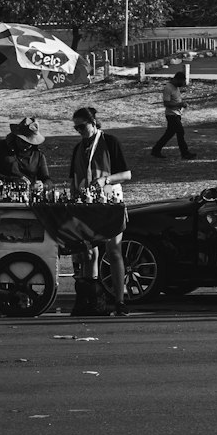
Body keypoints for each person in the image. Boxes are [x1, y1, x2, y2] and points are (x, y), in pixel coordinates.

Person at [69, 106, 132, 317]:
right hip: (87, 205)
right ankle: (93, 298)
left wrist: (106, 179)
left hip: (109, 201)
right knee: (89, 252)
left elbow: (127, 174)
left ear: (94, 123)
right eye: (76, 128)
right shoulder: (78, 148)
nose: (79, 131)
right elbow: (73, 180)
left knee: (113, 251)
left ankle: (120, 300)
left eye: (82, 126)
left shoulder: (110, 142)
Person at [0, 117, 50, 191]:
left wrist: (43, 185)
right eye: (24, 141)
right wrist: (13, 180)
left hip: (28, 194)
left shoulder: (38, 155)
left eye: (30, 143)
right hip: (2, 191)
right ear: (16, 136)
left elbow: (47, 179)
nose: (27, 145)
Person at [151, 71, 197, 160]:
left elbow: (176, 100)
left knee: (169, 134)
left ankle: (156, 150)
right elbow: (166, 103)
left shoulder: (176, 87)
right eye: (181, 82)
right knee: (180, 132)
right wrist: (179, 105)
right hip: (171, 115)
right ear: (176, 79)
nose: (182, 84)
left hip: (177, 114)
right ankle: (185, 153)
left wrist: (182, 104)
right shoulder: (168, 88)